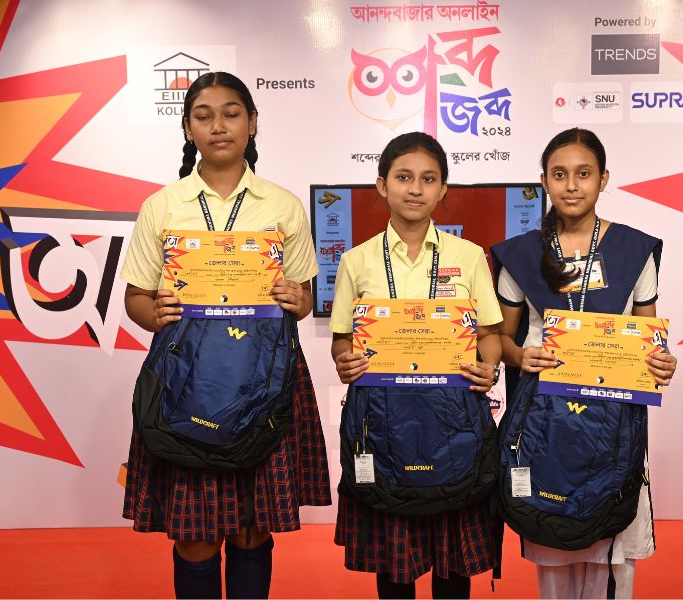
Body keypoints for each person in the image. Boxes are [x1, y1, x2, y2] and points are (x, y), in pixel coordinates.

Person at [119, 72, 330, 599]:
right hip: (186, 380)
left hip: (265, 379)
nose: (219, 126)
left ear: (252, 123)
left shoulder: (282, 205)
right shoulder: (162, 206)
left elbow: (304, 298)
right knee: (195, 535)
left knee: (252, 528)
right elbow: (136, 299)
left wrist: (297, 299)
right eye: (204, 116)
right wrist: (156, 311)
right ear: (188, 128)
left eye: (231, 114)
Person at [491, 127, 677, 599]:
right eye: (559, 174)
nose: (571, 185)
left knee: (612, 557)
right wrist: (521, 354)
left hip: (613, 419)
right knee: (551, 549)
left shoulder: (634, 250)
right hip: (543, 418)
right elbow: (498, 339)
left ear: (603, 179)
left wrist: (661, 363)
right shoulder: (521, 254)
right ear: (544, 181)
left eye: (583, 174)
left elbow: (648, 338)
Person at [329, 132, 502, 599]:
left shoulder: (468, 256)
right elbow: (343, 338)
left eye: (428, 179)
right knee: (395, 566)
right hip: (383, 419)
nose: (415, 189)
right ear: (381, 185)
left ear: (443, 189)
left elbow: (489, 334)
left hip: (453, 419)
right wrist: (345, 360)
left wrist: (489, 367)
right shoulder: (356, 260)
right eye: (404, 177)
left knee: (452, 567)